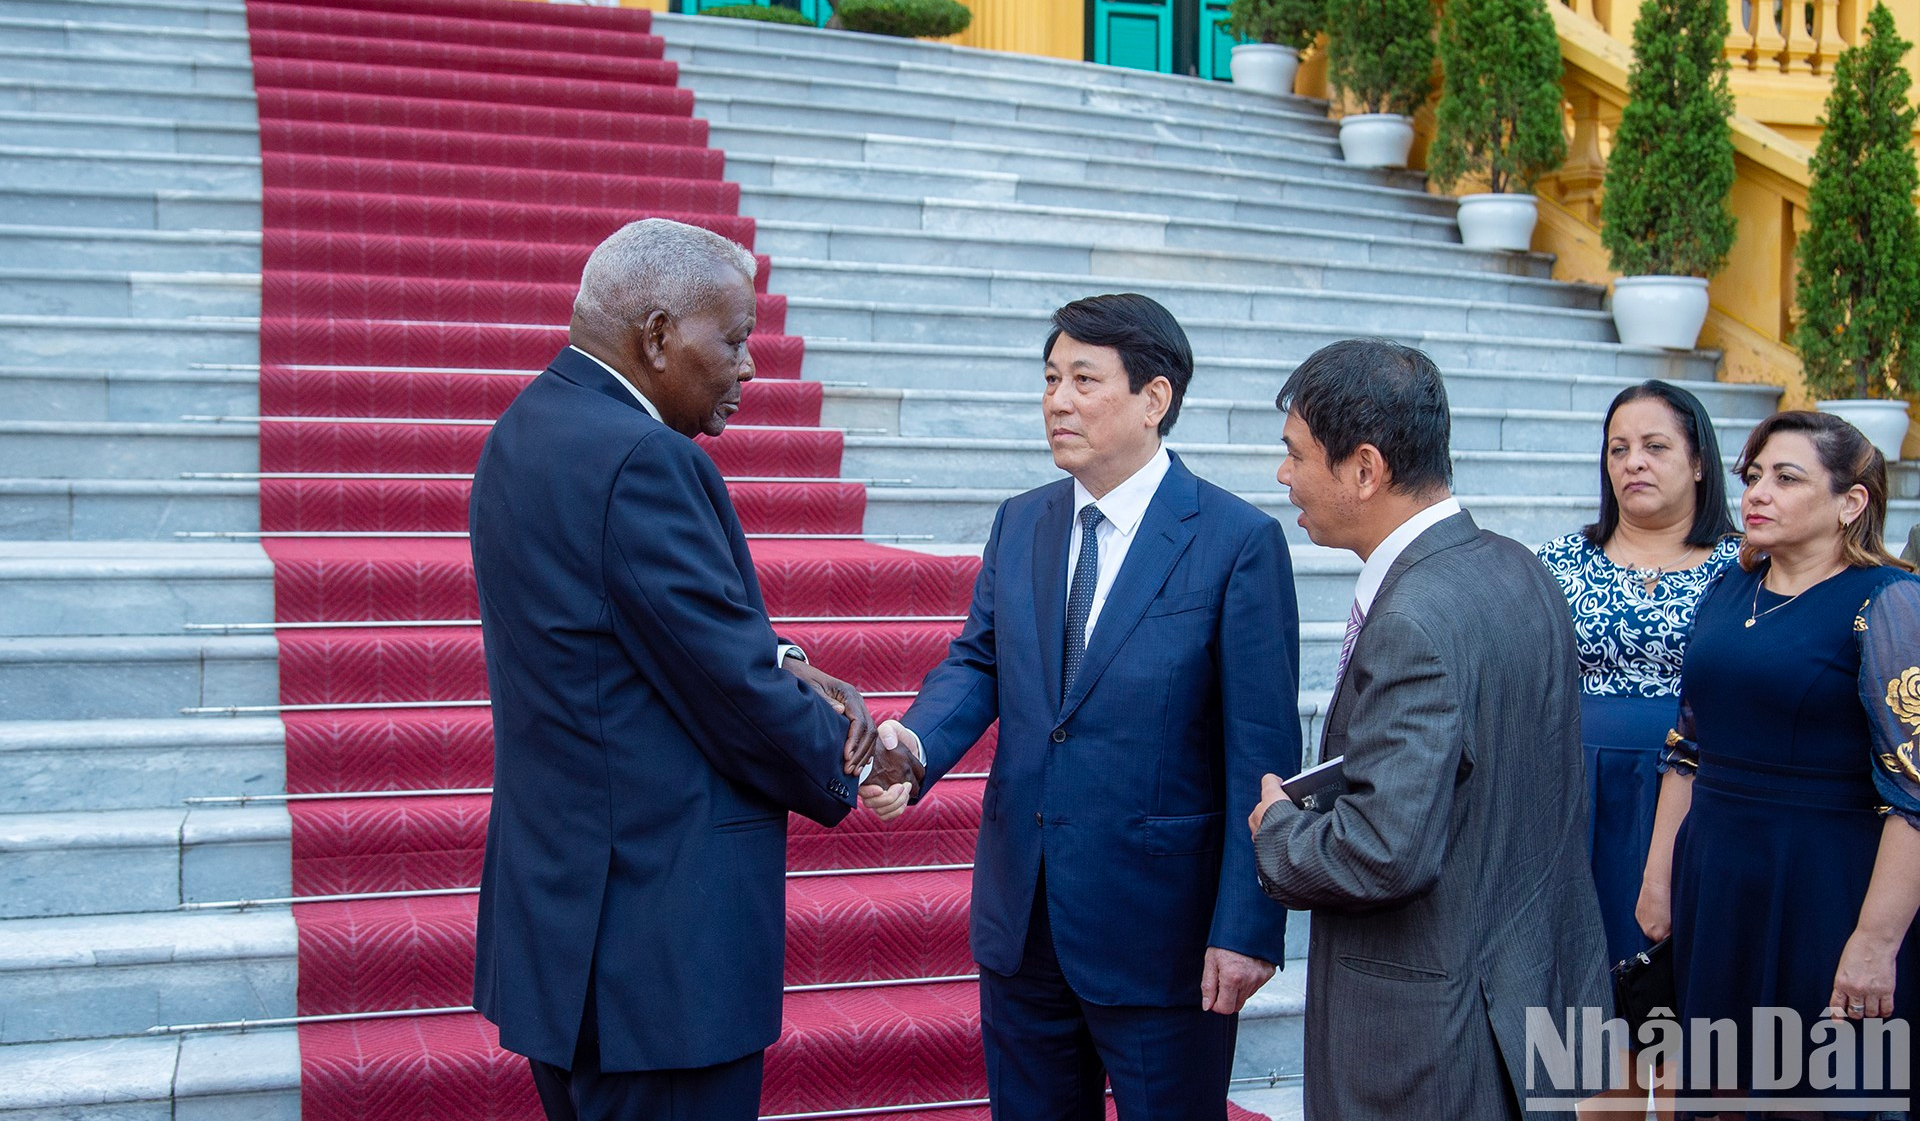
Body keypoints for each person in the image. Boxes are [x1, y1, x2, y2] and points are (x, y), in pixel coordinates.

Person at [469, 218, 875, 1121]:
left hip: (566, 933)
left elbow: (637, 637)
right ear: (657, 337)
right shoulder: (643, 459)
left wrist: (785, 660)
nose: (750, 367)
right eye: (732, 339)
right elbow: (726, 687)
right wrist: (858, 758)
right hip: (655, 953)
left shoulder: (523, 430)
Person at [861, 293, 1301, 1120]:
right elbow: (981, 660)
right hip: (1023, 920)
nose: (1057, 400)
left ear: (1155, 399)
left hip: (1161, 935)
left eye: (1084, 380)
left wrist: (1249, 925)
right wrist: (914, 748)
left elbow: (1262, 751)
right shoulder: (1022, 521)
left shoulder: (1235, 542)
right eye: (1051, 378)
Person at [1248, 337, 1609, 1120]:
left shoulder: (1415, 615)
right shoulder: (1518, 566)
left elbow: (1383, 851)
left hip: (1431, 1034)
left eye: (1297, 455)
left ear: (1366, 468)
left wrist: (1277, 831)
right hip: (1524, 991)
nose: (1284, 477)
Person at [1636, 411, 1920, 1107]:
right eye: (1753, 476)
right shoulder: (1731, 587)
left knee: (1815, 1089)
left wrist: (1875, 943)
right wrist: (1658, 874)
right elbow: (1689, 746)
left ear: (1850, 502)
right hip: (1717, 877)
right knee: (1716, 1085)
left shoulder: (1887, 602)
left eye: (1786, 478)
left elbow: (1916, 793)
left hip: (1826, 882)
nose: (1757, 493)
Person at [1535, 381, 1741, 964]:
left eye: (1655, 446)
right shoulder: (1559, 561)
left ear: (1699, 462)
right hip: (1573, 786)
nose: (1634, 463)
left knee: (1669, 988)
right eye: (1618, 449)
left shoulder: (1747, 568)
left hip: (1699, 786)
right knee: (1577, 976)